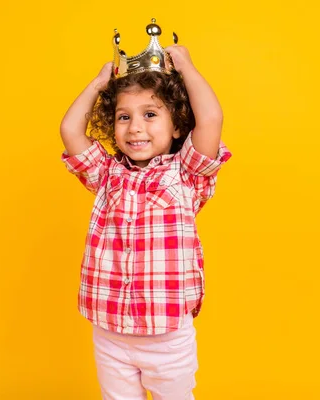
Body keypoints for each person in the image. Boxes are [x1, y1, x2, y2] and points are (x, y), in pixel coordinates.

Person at [60, 19, 232, 400]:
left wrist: (186, 68)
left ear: (176, 127)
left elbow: (212, 119)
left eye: (150, 114)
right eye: (124, 116)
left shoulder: (186, 173)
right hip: (109, 330)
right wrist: (98, 85)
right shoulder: (106, 174)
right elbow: (71, 131)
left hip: (167, 334)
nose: (135, 127)